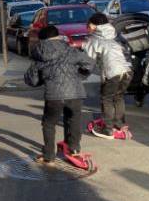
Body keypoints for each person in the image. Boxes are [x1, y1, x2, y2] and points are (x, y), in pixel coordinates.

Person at [25, 25, 97, 165]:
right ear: (58, 36)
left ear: (42, 39)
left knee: (49, 123)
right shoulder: (70, 50)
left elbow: (32, 80)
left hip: (54, 95)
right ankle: (74, 150)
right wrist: (80, 76)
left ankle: (49, 156)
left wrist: (43, 79)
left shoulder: (40, 53)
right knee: (73, 121)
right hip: (75, 92)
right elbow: (90, 63)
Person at [83, 13, 133, 139]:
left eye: (89, 24)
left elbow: (88, 62)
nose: (87, 27)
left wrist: (80, 75)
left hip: (112, 72)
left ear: (95, 25)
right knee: (119, 97)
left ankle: (108, 129)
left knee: (107, 99)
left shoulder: (93, 39)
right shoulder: (116, 34)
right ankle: (119, 124)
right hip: (128, 69)